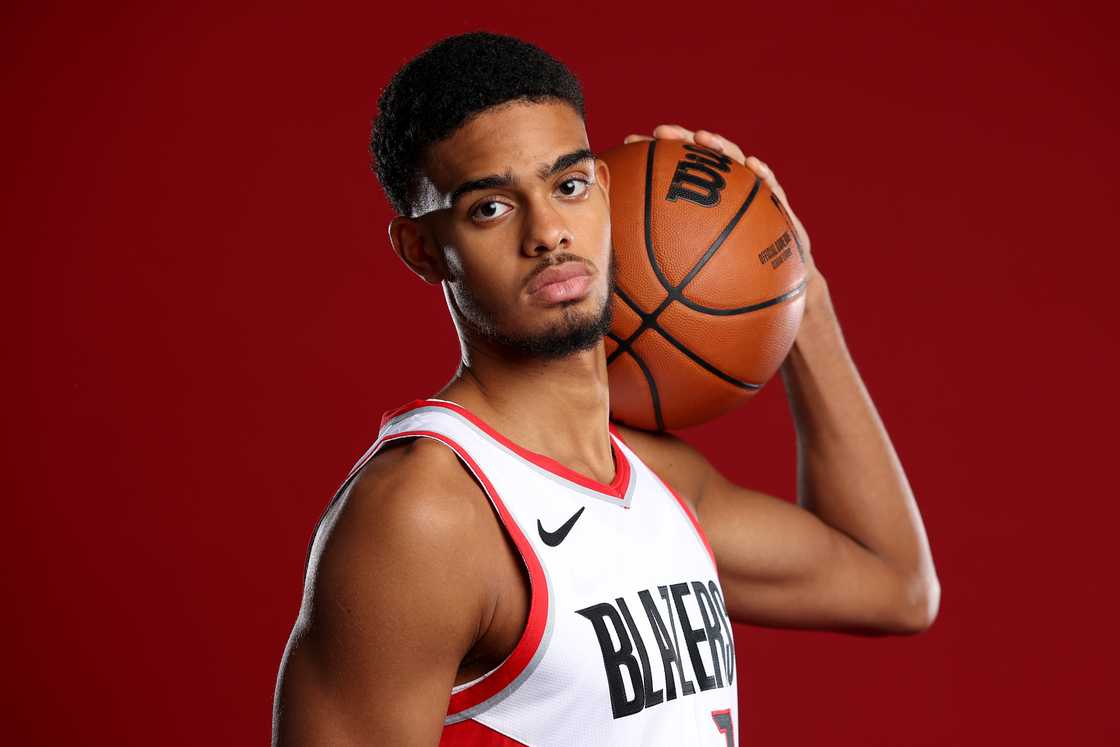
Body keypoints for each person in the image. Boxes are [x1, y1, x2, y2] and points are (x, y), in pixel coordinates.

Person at [272, 32, 940, 746]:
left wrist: (799, 294)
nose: (550, 232)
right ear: (424, 249)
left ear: (606, 190)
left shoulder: (654, 476)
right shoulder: (426, 513)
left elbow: (896, 583)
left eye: (569, 185)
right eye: (491, 208)